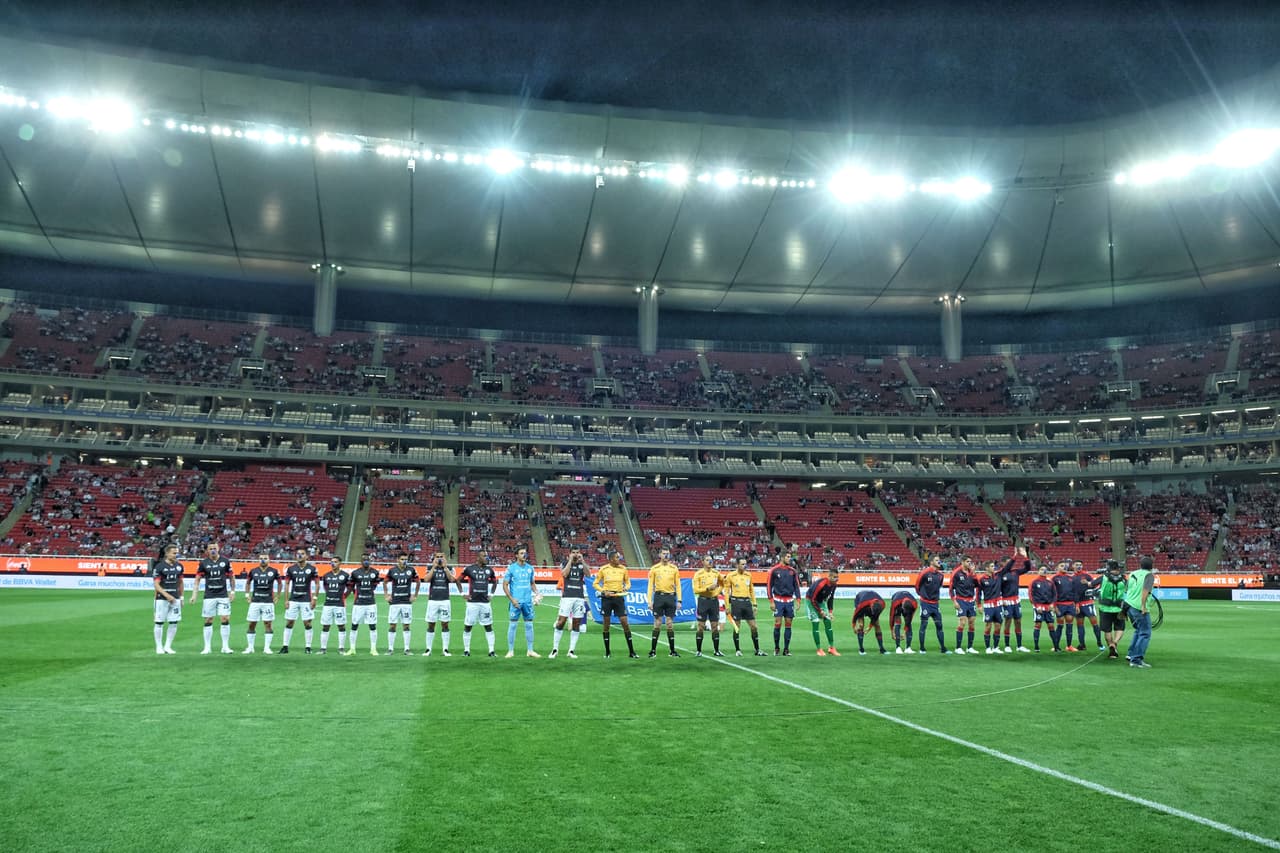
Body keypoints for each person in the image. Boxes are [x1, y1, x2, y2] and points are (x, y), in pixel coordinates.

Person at [593, 550, 638, 659]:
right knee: (606, 625)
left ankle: (632, 652)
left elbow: (628, 582)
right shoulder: (604, 569)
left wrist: (626, 588)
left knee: (625, 623)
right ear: (611, 559)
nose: (619, 559)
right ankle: (608, 652)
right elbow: (595, 583)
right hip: (607, 599)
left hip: (618, 597)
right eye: (617, 557)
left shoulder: (623, 569)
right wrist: (604, 591)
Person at [191, 542, 234, 654]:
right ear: (207, 550)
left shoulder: (225, 561)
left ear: (218, 549)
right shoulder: (204, 563)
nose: (213, 550)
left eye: (215, 548)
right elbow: (197, 579)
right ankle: (207, 647)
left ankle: (225, 646)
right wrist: (194, 594)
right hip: (209, 596)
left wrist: (232, 591)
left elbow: (231, 577)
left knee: (225, 618)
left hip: (223, 595)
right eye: (211, 548)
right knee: (208, 619)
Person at [458, 552, 498, 657]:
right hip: (472, 603)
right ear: (478, 557)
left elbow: (495, 581)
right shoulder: (469, 569)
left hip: (485, 603)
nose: (486, 557)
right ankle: (466, 651)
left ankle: (491, 651)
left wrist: (492, 594)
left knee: (488, 626)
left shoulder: (489, 570)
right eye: (484, 556)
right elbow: (458, 580)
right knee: (468, 626)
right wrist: (463, 594)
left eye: (487, 556)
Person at [551, 548, 589, 659]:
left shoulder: (582, 564)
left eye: (577, 552)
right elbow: (564, 574)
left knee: (576, 623)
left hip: (579, 597)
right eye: (573, 552)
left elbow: (589, 574)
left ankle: (571, 650)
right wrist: (570, 561)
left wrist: (583, 561)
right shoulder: (565, 564)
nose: (576, 554)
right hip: (567, 597)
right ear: (570, 554)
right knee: (561, 622)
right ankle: (555, 649)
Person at [725, 558, 767, 657]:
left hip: (747, 603)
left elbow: (751, 590)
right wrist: (727, 605)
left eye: (745, 564)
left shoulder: (748, 575)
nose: (745, 566)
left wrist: (755, 604)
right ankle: (738, 650)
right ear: (737, 565)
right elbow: (726, 592)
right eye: (742, 564)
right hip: (736, 602)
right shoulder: (731, 576)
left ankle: (757, 650)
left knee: (754, 626)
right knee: (737, 627)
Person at [503, 547, 540, 658]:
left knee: (529, 625)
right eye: (521, 553)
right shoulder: (511, 568)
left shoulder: (530, 568)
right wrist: (512, 599)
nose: (524, 555)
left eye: (525, 553)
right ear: (516, 555)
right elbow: (505, 585)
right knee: (513, 625)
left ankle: (530, 650)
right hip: (516, 602)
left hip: (527, 602)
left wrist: (537, 593)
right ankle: (510, 651)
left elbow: (532, 583)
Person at [243, 552, 281, 654]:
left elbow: (280, 583)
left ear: (269, 560)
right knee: (251, 624)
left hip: (268, 602)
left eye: (265, 558)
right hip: (255, 602)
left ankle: (267, 648)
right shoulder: (253, 571)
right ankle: (250, 647)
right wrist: (247, 595)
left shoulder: (274, 571)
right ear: (258, 560)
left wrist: (278, 596)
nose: (263, 560)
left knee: (268, 624)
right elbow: (247, 583)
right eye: (261, 558)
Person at [281, 549, 318, 654]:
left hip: (306, 600)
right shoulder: (291, 569)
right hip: (293, 600)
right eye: (298, 554)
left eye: (302, 554)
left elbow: (317, 584)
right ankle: (285, 646)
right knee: (289, 622)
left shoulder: (312, 569)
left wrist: (314, 599)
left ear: (306, 556)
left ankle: (308, 647)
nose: (300, 555)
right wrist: (286, 600)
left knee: (307, 623)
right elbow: (287, 584)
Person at [996, 547, 1033, 652]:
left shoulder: (1015, 572)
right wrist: (1015, 556)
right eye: (1008, 563)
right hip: (1006, 601)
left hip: (1016, 601)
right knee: (1008, 622)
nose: (1010, 565)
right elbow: (997, 588)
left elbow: (1028, 568)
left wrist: (1025, 556)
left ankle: (1019, 645)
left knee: (1018, 622)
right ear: (1003, 564)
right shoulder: (1000, 574)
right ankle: (1007, 645)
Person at [646, 548, 682, 658]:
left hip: (671, 597)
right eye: (664, 553)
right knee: (657, 623)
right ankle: (653, 650)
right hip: (659, 597)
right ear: (660, 555)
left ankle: (672, 651)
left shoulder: (674, 568)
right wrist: (649, 601)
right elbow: (650, 586)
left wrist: (679, 600)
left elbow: (678, 585)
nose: (666, 555)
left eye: (667, 553)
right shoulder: (654, 569)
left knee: (670, 624)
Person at [384, 554, 420, 656]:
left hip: (406, 602)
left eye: (405, 559)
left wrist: (415, 595)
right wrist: (386, 595)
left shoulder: (411, 570)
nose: (404, 561)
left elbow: (418, 582)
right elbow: (385, 582)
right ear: (398, 560)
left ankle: (407, 649)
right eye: (402, 559)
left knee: (406, 625)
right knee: (392, 625)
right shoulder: (392, 570)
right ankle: (390, 649)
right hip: (394, 602)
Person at [151, 542, 184, 655]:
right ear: (167, 553)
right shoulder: (159, 566)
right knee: (159, 622)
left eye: (177, 553)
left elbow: (180, 583)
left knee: (174, 622)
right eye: (174, 553)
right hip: (161, 599)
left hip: (175, 599)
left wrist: (181, 597)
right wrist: (167, 595)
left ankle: (168, 646)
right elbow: (156, 585)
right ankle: (159, 647)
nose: (176, 555)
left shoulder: (179, 566)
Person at [345, 556, 382, 656]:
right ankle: (352, 648)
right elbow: (351, 586)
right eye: (364, 560)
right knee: (354, 625)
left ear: (370, 561)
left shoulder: (375, 572)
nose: (366, 561)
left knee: (373, 625)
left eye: (367, 559)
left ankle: (373, 649)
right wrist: (346, 596)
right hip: (358, 603)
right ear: (361, 561)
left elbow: (375, 585)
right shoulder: (355, 573)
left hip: (371, 603)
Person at [1124, 556, 1156, 668]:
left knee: (1138, 630)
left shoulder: (1133, 573)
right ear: (1151, 566)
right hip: (1138, 607)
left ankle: (1131, 654)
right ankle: (1136, 659)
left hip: (1129, 604)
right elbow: (1145, 591)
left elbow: (1127, 589)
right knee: (1145, 633)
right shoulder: (1149, 576)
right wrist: (1143, 606)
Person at [913, 555, 949, 654]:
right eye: (937, 560)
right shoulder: (924, 573)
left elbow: (938, 586)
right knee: (923, 625)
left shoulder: (941, 575)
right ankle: (922, 648)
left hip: (935, 604)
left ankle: (943, 648)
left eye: (939, 560)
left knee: (939, 625)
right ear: (931, 562)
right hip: (925, 603)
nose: (939, 562)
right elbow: (917, 586)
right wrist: (923, 597)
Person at [767, 553, 802, 656]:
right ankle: (776, 648)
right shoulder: (774, 570)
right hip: (778, 600)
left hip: (789, 601)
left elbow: (796, 586)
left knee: (788, 625)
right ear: (782, 557)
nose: (789, 558)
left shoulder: (793, 571)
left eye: (790, 556)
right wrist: (771, 601)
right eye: (787, 556)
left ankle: (786, 649)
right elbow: (769, 586)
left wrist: (798, 600)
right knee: (777, 623)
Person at [691, 555, 725, 657]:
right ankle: (698, 650)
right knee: (701, 626)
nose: (710, 562)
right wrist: (708, 589)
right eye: (707, 560)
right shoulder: (698, 574)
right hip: (703, 601)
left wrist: (716, 592)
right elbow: (696, 590)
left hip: (714, 601)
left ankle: (716, 650)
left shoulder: (716, 573)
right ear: (703, 562)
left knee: (715, 626)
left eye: (711, 560)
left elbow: (723, 583)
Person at [421, 553, 454, 656]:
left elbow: (452, 579)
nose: (439, 558)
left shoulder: (449, 568)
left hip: (445, 600)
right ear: (434, 558)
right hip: (433, 600)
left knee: (445, 624)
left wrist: (445, 568)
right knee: (431, 624)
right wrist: (434, 568)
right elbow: (426, 579)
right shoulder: (430, 567)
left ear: (445, 558)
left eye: (441, 557)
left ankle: (445, 649)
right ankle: (428, 649)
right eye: (437, 557)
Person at [805, 567, 841, 656]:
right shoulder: (821, 584)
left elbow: (831, 598)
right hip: (811, 601)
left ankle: (831, 648)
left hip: (822, 601)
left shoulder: (834, 585)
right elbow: (813, 599)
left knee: (828, 622)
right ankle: (819, 649)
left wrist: (830, 612)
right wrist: (820, 611)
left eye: (837, 577)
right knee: (816, 623)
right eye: (835, 577)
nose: (837, 579)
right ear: (829, 576)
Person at [318, 557, 350, 655]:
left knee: (341, 626)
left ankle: (341, 648)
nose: (333, 563)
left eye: (335, 562)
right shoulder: (326, 575)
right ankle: (323, 649)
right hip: (328, 604)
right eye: (331, 562)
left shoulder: (345, 575)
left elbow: (349, 588)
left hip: (339, 604)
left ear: (340, 563)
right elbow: (325, 587)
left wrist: (344, 596)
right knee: (325, 626)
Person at [1096, 560, 1127, 660]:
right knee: (1120, 628)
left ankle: (1111, 647)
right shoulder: (1124, 579)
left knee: (1107, 630)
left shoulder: (1104, 577)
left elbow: (1091, 584)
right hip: (1119, 607)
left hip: (1105, 608)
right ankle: (1115, 643)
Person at [948, 556, 979, 654]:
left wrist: (973, 574)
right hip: (961, 600)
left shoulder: (971, 572)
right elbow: (950, 589)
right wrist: (954, 601)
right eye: (967, 561)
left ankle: (970, 647)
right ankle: (958, 647)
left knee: (972, 623)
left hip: (971, 601)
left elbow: (978, 585)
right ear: (962, 562)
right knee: (962, 622)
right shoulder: (956, 573)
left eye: (970, 561)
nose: (970, 563)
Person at [1028, 564, 1061, 652]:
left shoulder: (1050, 582)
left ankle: (1056, 647)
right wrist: (1036, 606)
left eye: (1045, 569)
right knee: (1038, 625)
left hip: (1048, 607)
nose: (1044, 571)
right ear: (1038, 571)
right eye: (1042, 569)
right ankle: (1036, 647)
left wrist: (1052, 604)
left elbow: (1055, 594)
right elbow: (1031, 595)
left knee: (1051, 626)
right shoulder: (1034, 582)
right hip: (1039, 606)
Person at [1072, 561, 1104, 651]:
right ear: (1073, 566)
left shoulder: (1087, 576)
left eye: (1080, 565)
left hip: (1088, 603)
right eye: (1077, 565)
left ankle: (1099, 643)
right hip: (1078, 604)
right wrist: (1076, 604)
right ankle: (1082, 644)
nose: (1079, 566)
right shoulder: (1072, 578)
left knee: (1094, 623)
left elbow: (1095, 585)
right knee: (1080, 625)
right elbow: (1074, 593)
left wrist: (1088, 584)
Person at [975, 560, 1005, 654]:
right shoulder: (982, 579)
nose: (994, 568)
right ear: (987, 568)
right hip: (988, 606)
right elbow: (978, 593)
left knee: (998, 626)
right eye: (992, 566)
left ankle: (996, 647)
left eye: (994, 566)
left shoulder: (998, 576)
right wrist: (979, 605)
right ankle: (988, 647)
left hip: (998, 605)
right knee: (988, 626)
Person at [1051, 560, 1078, 652]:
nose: (1064, 567)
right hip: (1059, 604)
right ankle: (1056, 646)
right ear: (1057, 567)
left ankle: (1069, 646)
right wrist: (1054, 606)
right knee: (1060, 625)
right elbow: (1052, 593)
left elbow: (1075, 592)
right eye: (1062, 566)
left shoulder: (1071, 578)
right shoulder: (1054, 578)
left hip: (1070, 604)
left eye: (1065, 566)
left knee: (1070, 625)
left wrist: (1076, 604)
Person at [851, 588, 887, 655]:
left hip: (870, 603)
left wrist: (869, 628)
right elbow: (855, 615)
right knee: (861, 625)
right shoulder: (862, 604)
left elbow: (875, 617)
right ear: (871, 607)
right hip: (860, 599)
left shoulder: (882, 604)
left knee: (877, 625)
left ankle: (882, 649)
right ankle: (861, 649)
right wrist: (854, 626)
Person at [888, 590, 918, 654]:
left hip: (907, 603)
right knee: (897, 621)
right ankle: (898, 648)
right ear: (903, 607)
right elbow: (891, 617)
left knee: (909, 624)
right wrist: (892, 632)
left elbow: (909, 620)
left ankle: (908, 648)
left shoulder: (914, 604)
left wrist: (904, 632)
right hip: (897, 600)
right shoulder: (895, 602)